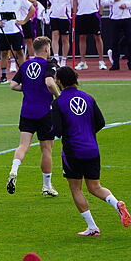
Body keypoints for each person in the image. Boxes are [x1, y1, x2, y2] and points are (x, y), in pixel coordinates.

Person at [51, 66, 131, 235]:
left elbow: (57, 130)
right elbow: (101, 122)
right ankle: (116, 204)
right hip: (92, 149)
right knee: (95, 187)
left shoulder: (58, 102)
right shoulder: (88, 97)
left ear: (59, 81)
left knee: (76, 189)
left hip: (73, 151)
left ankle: (92, 227)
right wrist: (86, 132)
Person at [7, 36, 61, 197]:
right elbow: (50, 83)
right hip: (44, 111)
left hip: (27, 111)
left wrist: (30, 88)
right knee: (46, 149)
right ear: (46, 49)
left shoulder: (25, 65)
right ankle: (46, 186)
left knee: (23, 145)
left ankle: (14, 170)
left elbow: (13, 85)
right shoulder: (48, 65)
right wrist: (59, 97)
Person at [74, 0, 107, 70]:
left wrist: (100, 11)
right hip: (81, 14)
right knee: (82, 37)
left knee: (97, 37)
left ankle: (101, 61)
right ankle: (83, 61)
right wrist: (75, 12)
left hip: (93, 12)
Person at [101, 0, 131, 71]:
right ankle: (115, 63)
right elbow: (103, 2)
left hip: (127, 17)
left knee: (129, 41)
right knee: (114, 42)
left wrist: (126, 5)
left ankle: (130, 63)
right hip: (114, 18)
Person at [48, 0, 75, 67]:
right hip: (54, 14)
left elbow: (73, 2)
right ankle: (56, 57)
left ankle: (64, 59)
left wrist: (69, 11)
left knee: (65, 38)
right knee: (54, 35)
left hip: (65, 16)